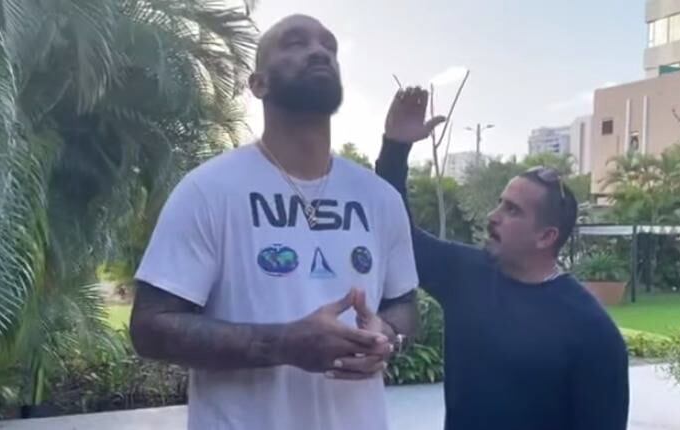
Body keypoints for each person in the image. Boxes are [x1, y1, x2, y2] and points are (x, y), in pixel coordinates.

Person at [129, 15, 420, 430]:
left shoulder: (380, 198)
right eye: (296, 43)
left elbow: (403, 304)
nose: (319, 52)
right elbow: (149, 327)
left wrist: (388, 336)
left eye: (329, 46)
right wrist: (283, 344)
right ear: (258, 84)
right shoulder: (208, 190)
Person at [376, 87, 630, 429]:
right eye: (500, 203)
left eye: (512, 210)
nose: (493, 216)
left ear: (546, 237)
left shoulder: (592, 331)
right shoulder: (465, 275)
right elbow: (398, 232)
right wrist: (395, 148)